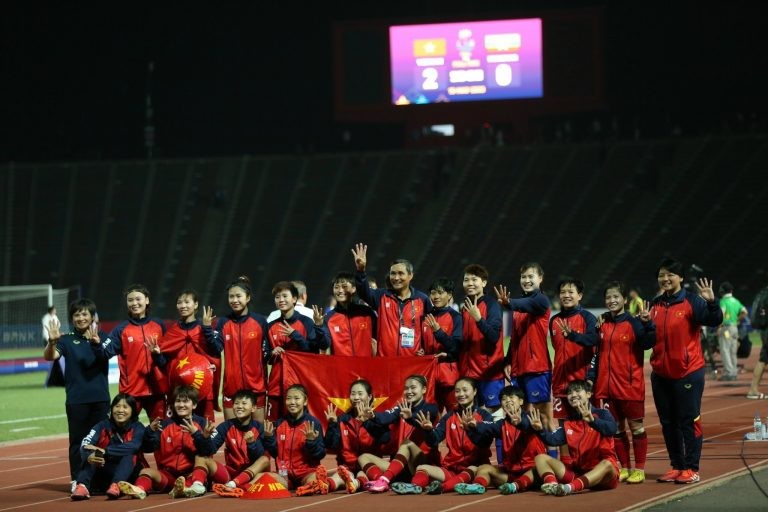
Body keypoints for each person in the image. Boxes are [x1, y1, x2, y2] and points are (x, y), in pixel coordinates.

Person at [650, 258, 722, 485]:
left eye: (670, 274)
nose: (665, 279)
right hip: (661, 373)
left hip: (687, 372)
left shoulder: (692, 301)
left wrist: (711, 303)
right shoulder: (655, 304)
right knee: (668, 422)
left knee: (688, 421)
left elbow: (714, 320)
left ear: (680, 277)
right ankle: (677, 465)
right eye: (661, 275)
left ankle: (692, 468)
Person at [43, 298, 110, 491]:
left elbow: (109, 353)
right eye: (76, 314)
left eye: (84, 314)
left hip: (101, 399)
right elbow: (50, 356)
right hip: (76, 400)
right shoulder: (66, 339)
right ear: (72, 318)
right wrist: (51, 342)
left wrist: (97, 343)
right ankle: (77, 479)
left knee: (103, 440)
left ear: (92, 316)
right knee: (77, 441)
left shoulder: (103, 337)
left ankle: (101, 479)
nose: (80, 318)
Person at [593, 281, 655, 484]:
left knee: (636, 427)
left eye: (616, 297)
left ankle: (640, 469)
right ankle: (626, 468)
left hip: (630, 386)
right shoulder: (603, 323)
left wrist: (648, 324)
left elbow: (648, 343)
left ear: (625, 300)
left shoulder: (634, 323)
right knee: (617, 429)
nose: (612, 300)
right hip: (607, 387)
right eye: (608, 297)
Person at [390, 377, 494, 495]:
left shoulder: (485, 416)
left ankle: (442, 488)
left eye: (465, 390)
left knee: (472, 468)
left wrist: (473, 429)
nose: (461, 394)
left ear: (474, 391)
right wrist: (428, 431)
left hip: (475, 469)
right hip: (451, 469)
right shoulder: (449, 417)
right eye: (457, 391)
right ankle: (415, 487)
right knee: (422, 468)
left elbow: (485, 443)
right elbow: (434, 441)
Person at [117, 385, 216, 499]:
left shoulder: (202, 423)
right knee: (146, 471)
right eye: (178, 401)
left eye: (185, 401)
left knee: (199, 468)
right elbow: (149, 448)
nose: (181, 405)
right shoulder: (164, 425)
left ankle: (187, 488)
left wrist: (196, 434)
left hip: (192, 474)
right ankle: (139, 489)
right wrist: (150, 432)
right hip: (168, 476)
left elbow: (208, 452)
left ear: (194, 405)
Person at [495, 263, 553, 445]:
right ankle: (529, 455)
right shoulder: (519, 308)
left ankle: (552, 456)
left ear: (540, 278)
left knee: (543, 416)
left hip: (537, 368)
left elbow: (526, 304)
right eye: (523, 277)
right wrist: (508, 360)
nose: (526, 280)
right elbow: (515, 338)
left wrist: (509, 303)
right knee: (521, 415)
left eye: (530, 276)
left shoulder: (541, 300)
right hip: (518, 370)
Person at [530, 380, 619, 496]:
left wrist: (593, 421)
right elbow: (552, 440)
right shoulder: (569, 422)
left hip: (603, 476)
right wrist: (540, 430)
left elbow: (612, 429)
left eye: (577, 391)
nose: (573, 395)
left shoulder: (602, 414)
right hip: (579, 474)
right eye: (570, 393)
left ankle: (569, 488)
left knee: (607, 464)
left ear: (588, 394)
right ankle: (553, 485)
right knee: (540, 458)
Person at [454, 385, 547, 495]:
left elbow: (527, 426)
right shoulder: (501, 424)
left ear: (521, 401)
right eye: (504, 399)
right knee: (483, 468)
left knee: (537, 469)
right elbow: (487, 427)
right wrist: (472, 427)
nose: (508, 401)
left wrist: (519, 423)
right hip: (512, 473)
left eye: (511, 397)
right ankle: (477, 486)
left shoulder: (532, 418)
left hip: (533, 472)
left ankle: (516, 486)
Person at [359, 374, 440, 493]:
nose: (409, 391)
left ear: (424, 390)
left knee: (407, 444)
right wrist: (373, 415)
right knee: (363, 457)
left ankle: (385, 480)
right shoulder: (402, 407)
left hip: (424, 464)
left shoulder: (431, 408)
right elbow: (386, 417)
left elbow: (419, 420)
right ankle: (381, 481)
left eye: (413, 388)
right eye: (406, 388)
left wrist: (410, 417)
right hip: (403, 466)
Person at [548, 277, 598, 463]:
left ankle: (588, 461)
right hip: (560, 383)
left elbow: (593, 341)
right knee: (563, 426)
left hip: (581, 383)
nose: (566, 295)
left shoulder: (588, 318)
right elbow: (557, 349)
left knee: (586, 422)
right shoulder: (554, 321)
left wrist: (572, 336)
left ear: (580, 295)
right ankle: (567, 465)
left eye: (571, 292)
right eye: (563, 292)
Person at [101, 284, 167, 421]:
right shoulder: (121, 330)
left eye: (138, 299)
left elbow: (167, 357)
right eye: (130, 300)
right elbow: (104, 352)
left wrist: (158, 356)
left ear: (147, 300)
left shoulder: (159, 325)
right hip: (131, 392)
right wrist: (96, 343)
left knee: (161, 430)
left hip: (157, 391)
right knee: (126, 429)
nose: (134, 303)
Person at [351, 243, 431, 356]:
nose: (396, 278)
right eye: (393, 274)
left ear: (410, 276)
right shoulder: (381, 296)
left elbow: (429, 329)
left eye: (401, 273)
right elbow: (363, 293)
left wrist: (425, 348)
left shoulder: (422, 299)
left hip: (412, 361)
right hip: (386, 361)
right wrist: (360, 271)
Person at [155, 289, 220, 422]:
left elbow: (215, 351)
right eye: (179, 302)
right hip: (178, 387)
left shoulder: (203, 329)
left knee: (204, 426)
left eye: (187, 302)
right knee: (176, 427)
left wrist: (207, 328)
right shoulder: (173, 331)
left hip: (201, 383)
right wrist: (156, 355)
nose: (183, 305)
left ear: (195, 304)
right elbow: (164, 364)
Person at [210, 276, 269, 421]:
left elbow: (267, 351)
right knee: (230, 431)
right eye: (231, 296)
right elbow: (216, 349)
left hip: (256, 387)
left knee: (258, 431)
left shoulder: (260, 322)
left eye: (238, 296)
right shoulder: (223, 322)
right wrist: (206, 328)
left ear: (248, 298)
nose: (234, 300)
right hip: (231, 387)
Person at [266, 281, 329, 419]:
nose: (281, 300)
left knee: (298, 423)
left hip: (299, 382)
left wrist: (295, 335)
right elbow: (265, 357)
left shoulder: (306, 322)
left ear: (294, 299)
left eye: (285, 296)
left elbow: (313, 352)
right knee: (272, 425)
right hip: (276, 385)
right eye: (277, 297)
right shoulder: (270, 326)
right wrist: (272, 352)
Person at [71, 394, 147, 500]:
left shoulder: (138, 427)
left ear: (133, 411)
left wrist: (105, 451)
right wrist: (89, 455)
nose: (120, 410)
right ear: (111, 409)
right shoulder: (102, 425)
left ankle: (116, 485)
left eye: (125, 407)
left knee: (130, 453)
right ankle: (82, 486)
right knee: (94, 455)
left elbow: (134, 446)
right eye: (117, 406)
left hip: (130, 473)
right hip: (105, 471)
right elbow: (85, 445)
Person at [323, 379, 390, 493]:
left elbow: (386, 439)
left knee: (362, 474)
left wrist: (367, 422)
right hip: (347, 467)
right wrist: (332, 425)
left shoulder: (376, 418)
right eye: (353, 394)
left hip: (368, 466)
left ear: (369, 397)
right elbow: (331, 445)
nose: (356, 397)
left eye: (360, 393)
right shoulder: (342, 420)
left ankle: (354, 483)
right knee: (338, 477)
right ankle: (324, 485)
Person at [262, 384, 328, 496]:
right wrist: (269, 438)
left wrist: (311, 442)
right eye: (288, 398)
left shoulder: (313, 424)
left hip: (307, 474)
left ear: (305, 401)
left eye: (297, 398)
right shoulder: (279, 423)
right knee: (263, 478)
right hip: (284, 475)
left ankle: (311, 486)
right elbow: (275, 453)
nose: (292, 402)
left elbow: (320, 455)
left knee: (315, 479)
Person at [203, 389, 270, 496]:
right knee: (202, 457)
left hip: (252, 475)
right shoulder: (225, 427)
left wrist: (252, 444)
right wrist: (206, 438)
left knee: (265, 460)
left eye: (244, 403)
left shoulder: (259, 428)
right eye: (236, 403)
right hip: (230, 475)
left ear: (253, 408)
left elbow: (259, 458)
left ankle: (235, 485)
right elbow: (209, 450)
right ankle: (196, 485)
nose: (239, 406)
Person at [422, 277, 461, 412]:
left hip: (449, 376)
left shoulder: (456, 317)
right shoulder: (425, 317)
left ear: (449, 295)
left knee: (455, 414)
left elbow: (456, 347)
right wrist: (421, 350)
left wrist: (438, 332)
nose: (436, 296)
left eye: (440, 292)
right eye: (433, 293)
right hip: (428, 375)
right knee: (430, 415)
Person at [321, 272, 377, 356]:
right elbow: (324, 345)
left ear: (353, 289)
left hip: (366, 363)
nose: (340, 291)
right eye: (336, 287)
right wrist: (319, 326)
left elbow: (379, 338)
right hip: (341, 364)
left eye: (344, 287)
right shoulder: (328, 318)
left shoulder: (366, 313)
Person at [717, 281, 748, 381]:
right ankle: (733, 372)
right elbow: (745, 312)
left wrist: (719, 327)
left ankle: (729, 373)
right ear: (731, 291)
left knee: (725, 350)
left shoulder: (723, 301)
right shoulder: (736, 301)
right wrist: (737, 320)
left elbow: (721, 314)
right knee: (733, 351)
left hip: (726, 329)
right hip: (734, 328)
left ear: (722, 291)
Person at [747, 284, 768, 399]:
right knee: (763, 360)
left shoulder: (764, 292)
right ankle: (752, 390)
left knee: (763, 360)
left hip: (765, 330)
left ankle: (753, 389)